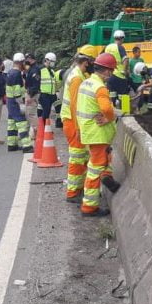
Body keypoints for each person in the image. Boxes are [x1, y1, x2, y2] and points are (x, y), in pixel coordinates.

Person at [76, 53, 119, 216]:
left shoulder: (86, 82)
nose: (112, 74)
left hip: (88, 130)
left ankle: (108, 179)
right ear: (107, 71)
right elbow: (107, 110)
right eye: (112, 71)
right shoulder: (99, 87)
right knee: (94, 169)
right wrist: (109, 118)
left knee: (103, 160)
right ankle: (89, 207)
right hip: (98, 133)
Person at [61, 46, 98, 203]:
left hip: (72, 120)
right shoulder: (77, 78)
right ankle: (72, 193)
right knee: (77, 158)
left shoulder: (79, 74)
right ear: (86, 62)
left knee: (81, 157)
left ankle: (78, 189)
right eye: (92, 62)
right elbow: (75, 105)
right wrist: (78, 129)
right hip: (72, 122)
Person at [6, 53, 34, 153]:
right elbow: (17, 91)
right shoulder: (17, 74)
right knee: (22, 123)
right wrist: (21, 104)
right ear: (21, 62)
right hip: (15, 102)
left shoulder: (10, 72)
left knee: (12, 124)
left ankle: (11, 145)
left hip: (10, 101)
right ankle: (27, 146)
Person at [104, 30, 130, 108]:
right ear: (122, 38)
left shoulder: (108, 47)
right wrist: (124, 71)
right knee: (124, 95)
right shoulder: (120, 47)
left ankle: (112, 111)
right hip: (120, 75)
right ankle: (125, 111)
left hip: (110, 75)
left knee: (112, 94)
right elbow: (125, 59)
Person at [38, 52, 61, 122]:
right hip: (44, 94)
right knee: (46, 112)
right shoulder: (40, 70)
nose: (53, 63)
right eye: (52, 61)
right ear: (47, 60)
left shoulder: (52, 71)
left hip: (52, 94)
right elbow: (36, 81)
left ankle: (49, 126)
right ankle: (43, 128)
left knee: (56, 106)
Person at [23, 53, 41, 140]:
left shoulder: (34, 70)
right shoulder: (31, 68)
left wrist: (30, 96)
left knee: (31, 114)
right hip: (31, 93)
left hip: (32, 94)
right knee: (29, 113)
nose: (26, 61)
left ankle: (36, 132)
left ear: (30, 59)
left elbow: (35, 84)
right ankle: (32, 133)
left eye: (27, 59)